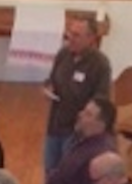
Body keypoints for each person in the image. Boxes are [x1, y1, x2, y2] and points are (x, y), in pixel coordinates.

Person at [41, 17, 111, 173]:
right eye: (69, 33)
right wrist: (48, 88)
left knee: (68, 176)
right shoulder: (63, 54)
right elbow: (51, 79)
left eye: (76, 35)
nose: (70, 38)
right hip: (54, 127)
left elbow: (101, 101)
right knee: (49, 172)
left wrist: (84, 117)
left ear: (91, 38)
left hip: (76, 134)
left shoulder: (100, 64)